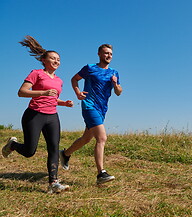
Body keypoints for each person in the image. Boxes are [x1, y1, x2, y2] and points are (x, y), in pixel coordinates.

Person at [1, 36, 74, 193]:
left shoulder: (59, 80)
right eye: (53, 58)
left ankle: (53, 183)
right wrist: (43, 92)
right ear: (44, 60)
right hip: (34, 115)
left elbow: (52, 98)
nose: (56, 61)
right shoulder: (36, 73)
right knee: (29, 151)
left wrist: (64, 103)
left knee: (54, 148)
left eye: (58, 59)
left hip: (52, 116)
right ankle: (12, 145)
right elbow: (22, 92)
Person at [59, 44, 122, 185]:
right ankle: (101, 173)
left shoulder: (114, 73)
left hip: (102, 109)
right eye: (106, 53)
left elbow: (118, 92)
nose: (108, 56)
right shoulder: (90, 68)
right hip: (89, 106)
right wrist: (78, 92)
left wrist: (116, 85)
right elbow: (74, 79)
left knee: (86, 138)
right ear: (99, 54)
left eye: (110, 53)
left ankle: (65, 154)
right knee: (102, 138)